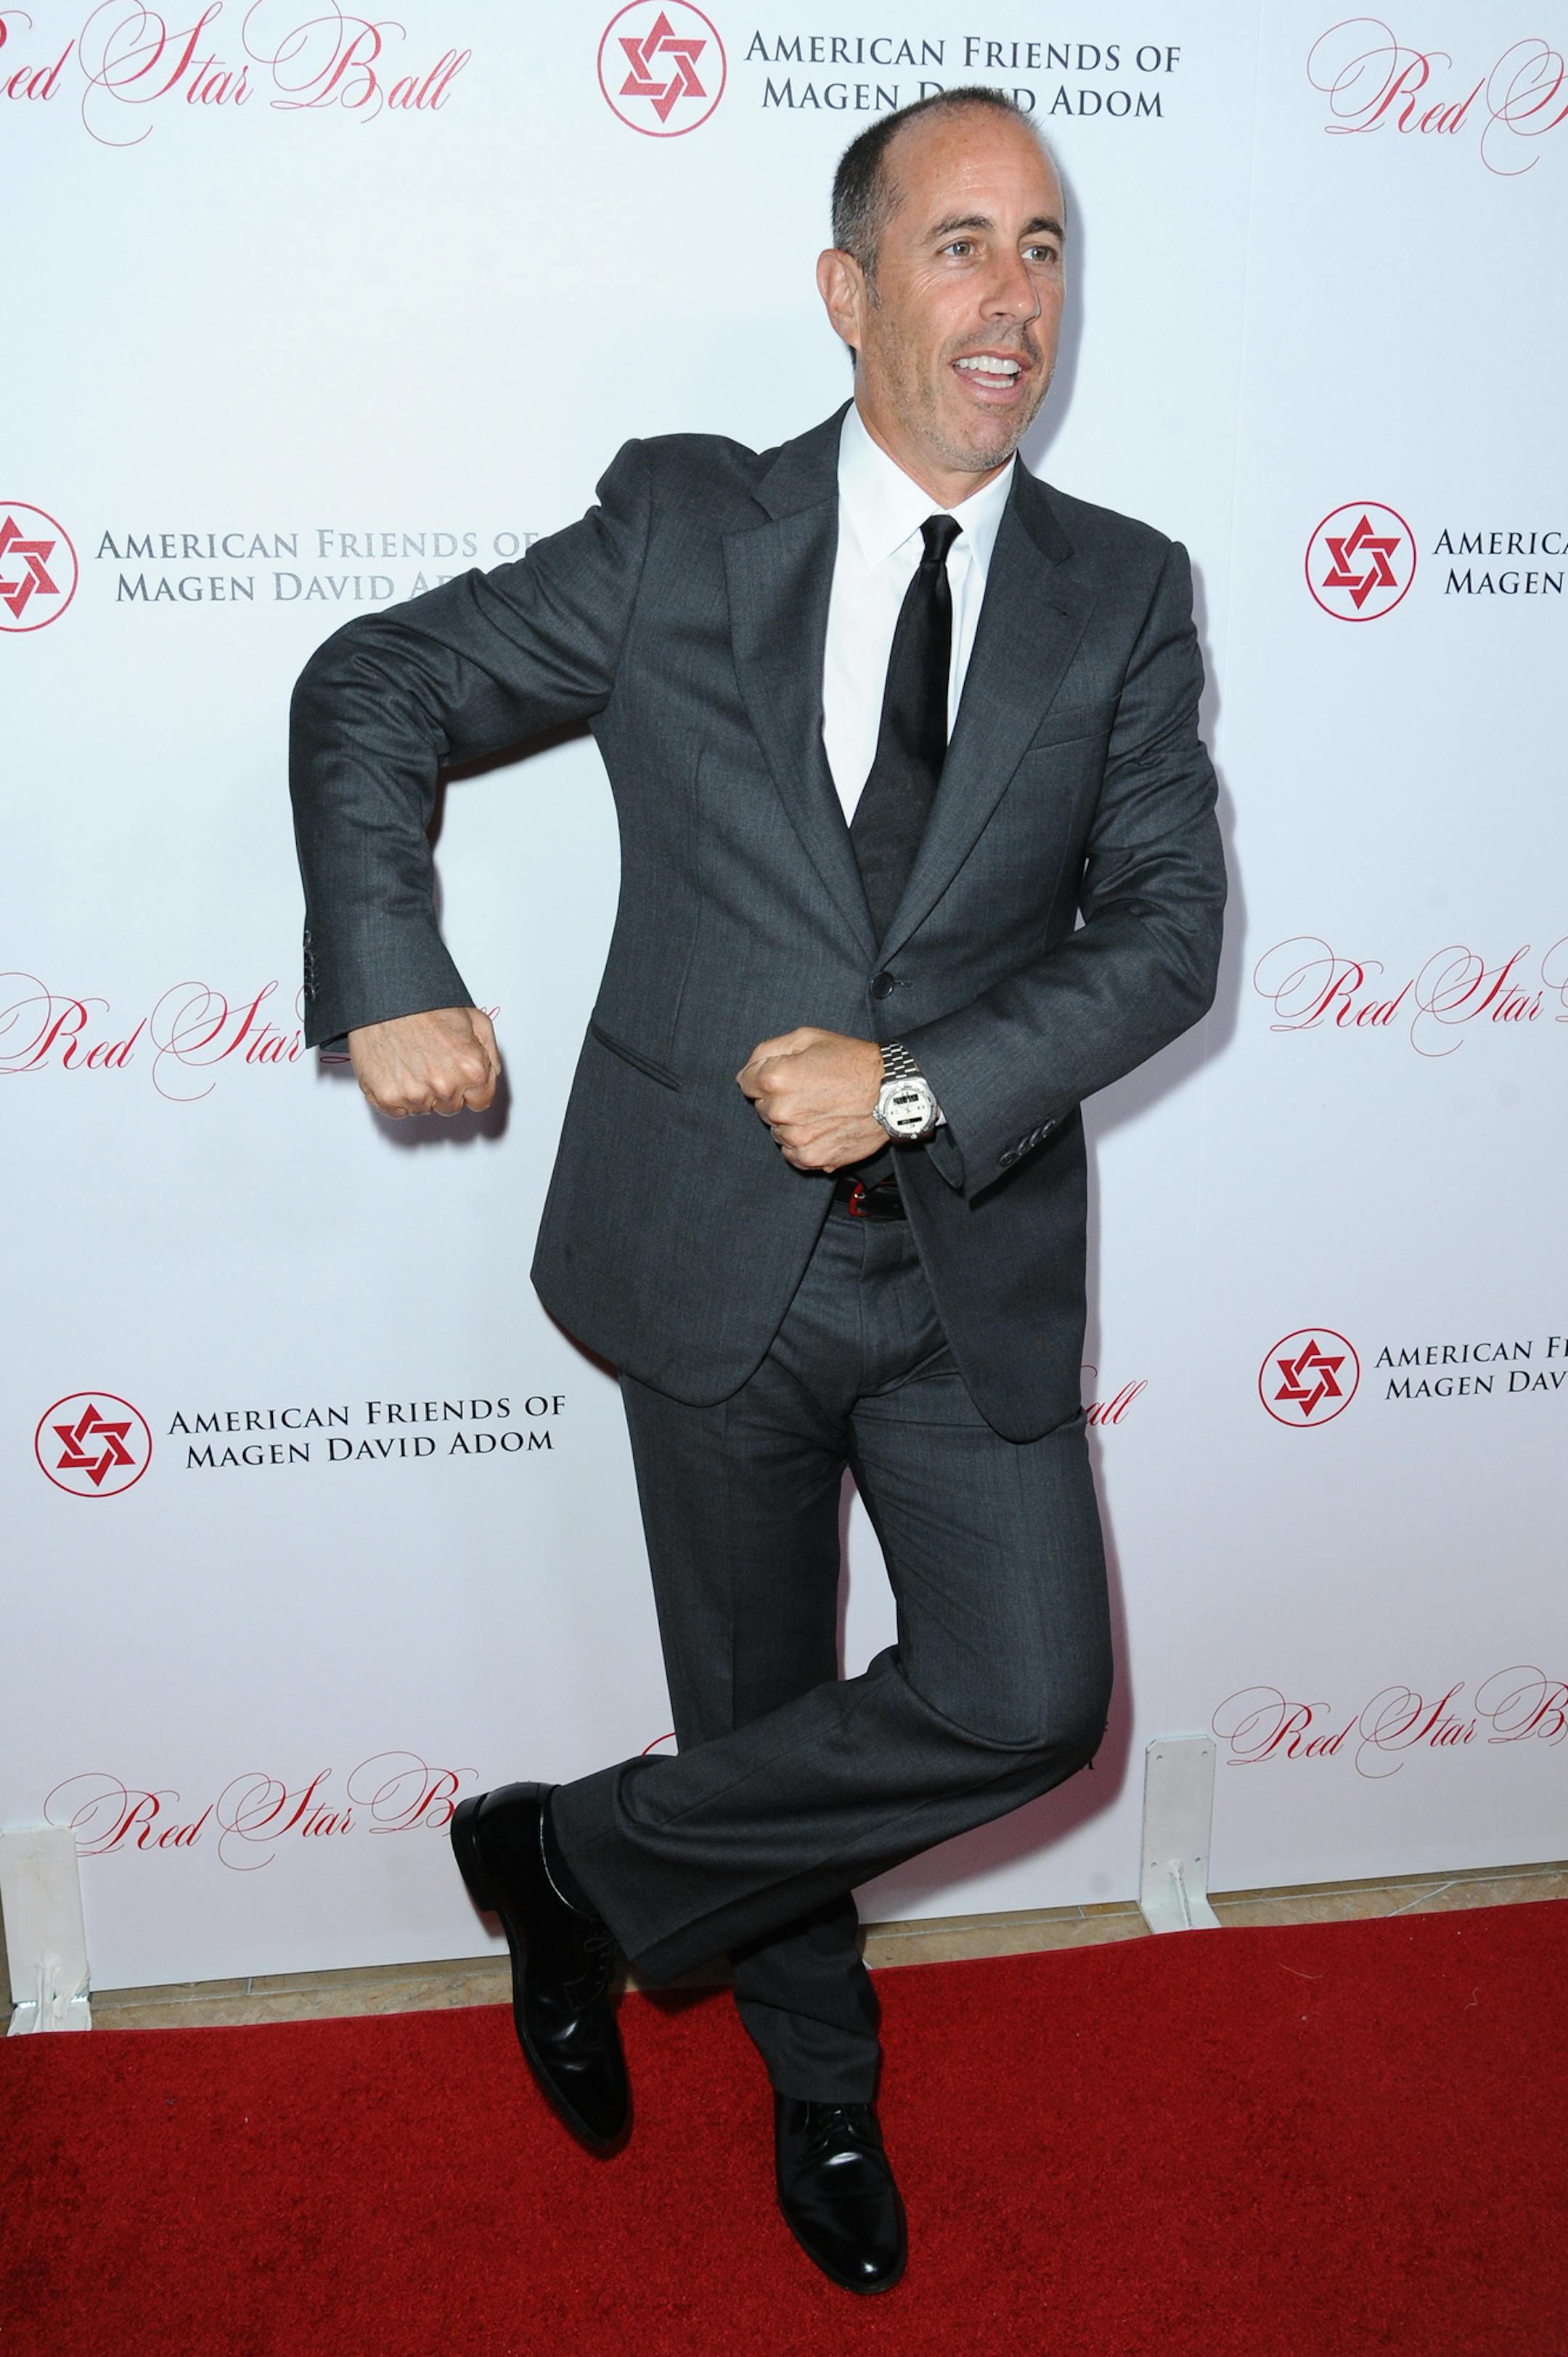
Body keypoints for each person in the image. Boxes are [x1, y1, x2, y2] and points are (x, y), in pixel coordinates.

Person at [290, 87, 1225, 2295]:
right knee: (761, 1706)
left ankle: (569, 1867)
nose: (1017, 299)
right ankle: (820, 2084)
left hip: (966, 1260)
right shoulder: (688, 530)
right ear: (849, 290)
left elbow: (1167, 934)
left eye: (1049, 249)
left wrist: (915, 1088)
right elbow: (380, 683)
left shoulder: (1124, 594)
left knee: (1026, 1695)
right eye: (964, 243)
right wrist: (390, 967)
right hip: (704, 1255)